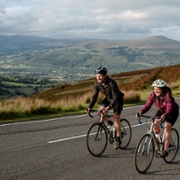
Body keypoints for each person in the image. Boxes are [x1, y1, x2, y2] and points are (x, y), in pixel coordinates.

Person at [136, 79, 179, 157]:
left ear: (162, 89)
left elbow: (169, 109)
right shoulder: (153, 95)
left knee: (166, 127)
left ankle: (166, 150)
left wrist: (164, 116)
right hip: (162, 110)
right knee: (155, 124)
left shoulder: (167, 95)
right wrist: (140, 112)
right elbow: (148, 105)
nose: (156, 91)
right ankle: (159, 143)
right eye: (155, 89)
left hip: (172, 112)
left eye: (158, 89)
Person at [87, 66, 124, 149]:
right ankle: (110, 124)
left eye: (100, 76)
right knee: (100, 113)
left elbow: (115, 97)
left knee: (116, 118)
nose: (98, 78)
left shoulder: (111, 83)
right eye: (97, 76)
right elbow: (94, 96)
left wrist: (108, 108)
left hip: (117, 100)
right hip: (107, 98)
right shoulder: (97, 83)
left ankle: (118, 139)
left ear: (105, 75)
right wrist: (89, 107)